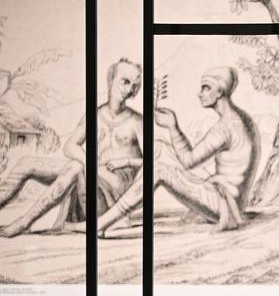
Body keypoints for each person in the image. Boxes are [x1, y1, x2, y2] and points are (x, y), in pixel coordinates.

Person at [97, 66, 261, 236]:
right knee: (160, 148)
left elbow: (189, 162)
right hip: (227, 199)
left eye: (206, 88)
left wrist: (172, 126)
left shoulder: (225, 127)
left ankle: (102, 223)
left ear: (220, 91)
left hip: (225, 205)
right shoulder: (240, 119)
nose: (200, 94)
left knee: (159, 170)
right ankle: (121, 217)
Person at [0, 58, 144, 237]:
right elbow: (69, 146)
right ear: (111, 79)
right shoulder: (96, 114)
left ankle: (23, 222)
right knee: (26, 162)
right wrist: (89, 162)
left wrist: (124, 162)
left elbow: (153, 162)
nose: (130, 89)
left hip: (113, 201)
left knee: (76, 167)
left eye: (135, 85)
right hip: (90, 182)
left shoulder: (137, 121)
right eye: (125, 81)